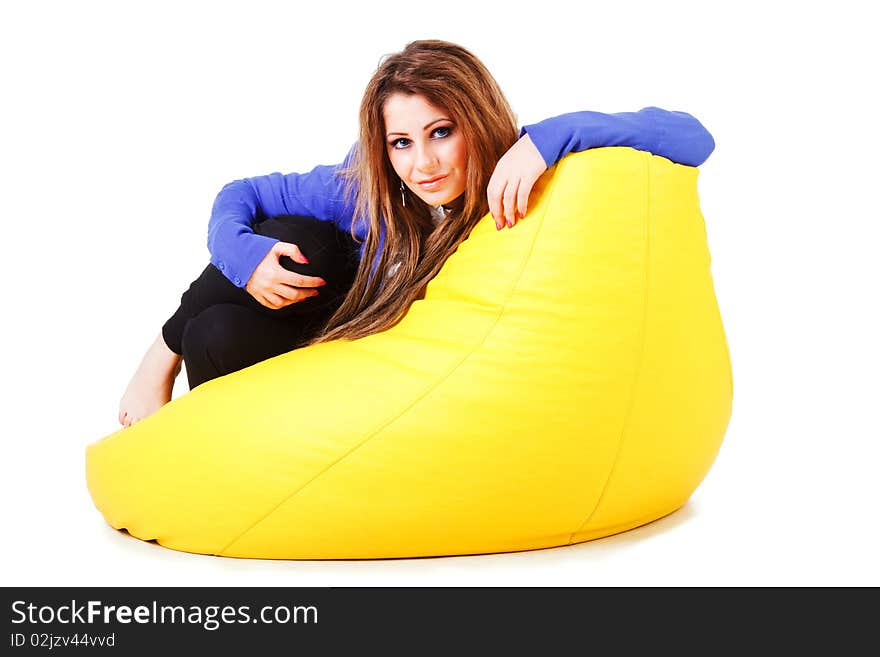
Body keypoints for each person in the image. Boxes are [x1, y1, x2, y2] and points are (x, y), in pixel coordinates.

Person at [118, 39, 715, 427]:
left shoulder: (515, 170)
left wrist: (551, 136)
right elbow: (240, 196)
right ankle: (163, 359)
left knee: (219, 329)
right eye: (401, 142)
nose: (423, 164)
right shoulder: (367, 188)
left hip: (387, 377)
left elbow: (694, 137)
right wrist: (244, 257)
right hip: (319, 330)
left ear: (475, 122)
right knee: (297, 240)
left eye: (442, 132)